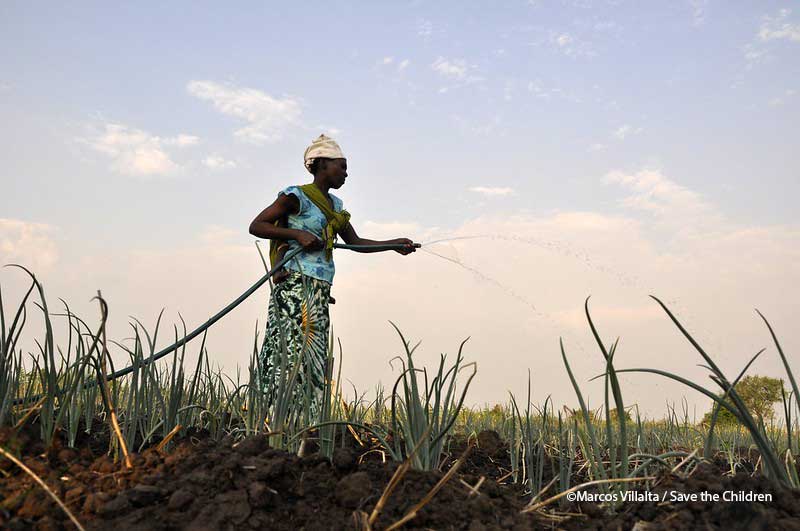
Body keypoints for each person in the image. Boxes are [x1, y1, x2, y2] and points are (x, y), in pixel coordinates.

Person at [248, 134, 416, 421]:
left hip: (319, 290)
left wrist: (393, 244)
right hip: (294, 288)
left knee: (314, 359)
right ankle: (274, 420)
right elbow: (257, 226)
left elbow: (356, 242)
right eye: (342, 166)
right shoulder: (295, 196)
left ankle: (306, 424)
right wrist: (297, 234)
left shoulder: (336, 207)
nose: (346, 173)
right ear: (322, 165)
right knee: (289, 354)